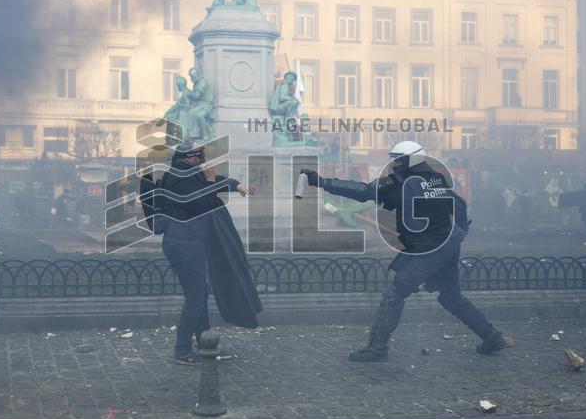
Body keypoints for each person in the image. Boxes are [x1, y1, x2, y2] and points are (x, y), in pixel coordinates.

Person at [302, 141, 511, 362]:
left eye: (399, 159)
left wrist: (323, 182)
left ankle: (377, 349)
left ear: (411, 161)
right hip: (448, 243)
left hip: (431, 247)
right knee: (451, 297)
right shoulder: (436, 178)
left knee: (395, 293)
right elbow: (458, 204)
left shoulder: (401, 183)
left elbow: (364, 191)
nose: (394, 164)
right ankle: (493, 338)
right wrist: (460, 232)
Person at [141, 142, 260, 364]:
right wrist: (211, 181)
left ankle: (205, 344)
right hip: (183, 244)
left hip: (190, 242)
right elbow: (203, 202)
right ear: (189, 157)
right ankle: (182, 350)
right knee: (196, 297)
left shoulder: (187, 172)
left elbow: (213, 180)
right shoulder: (178, 178)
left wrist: (237, 185)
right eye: (199, 153)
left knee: (200, 295)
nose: (203, 157)